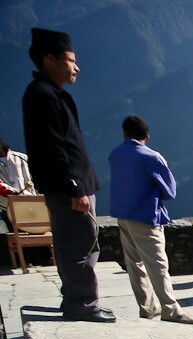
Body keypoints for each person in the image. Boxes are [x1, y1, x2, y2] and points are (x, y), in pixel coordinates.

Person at [22, 28, 113, 322]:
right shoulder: (43, 95)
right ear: (50, 59)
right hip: (71, 188)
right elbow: (52, 147)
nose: (77, 67)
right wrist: (74, 187)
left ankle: (77, 299)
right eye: (71, 60)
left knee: (83, 243)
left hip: (74, 185)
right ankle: (83, 305)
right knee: (79, 245)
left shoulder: (50, 94)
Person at [107, 116, 193, 324]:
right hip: (146, 216)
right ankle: (170, 310)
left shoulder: (115, 154)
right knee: (157, 264)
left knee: (134, 263)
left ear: (124, 133)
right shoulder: (151, 157)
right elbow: (170, 191)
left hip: (123, 215)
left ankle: (147, 307)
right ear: (147, 136)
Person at [0, 135, 36, 225]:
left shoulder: (22, 158)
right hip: (7, 207)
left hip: (32, 204)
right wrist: (12, 193)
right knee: (16, 235)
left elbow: (35, 178)